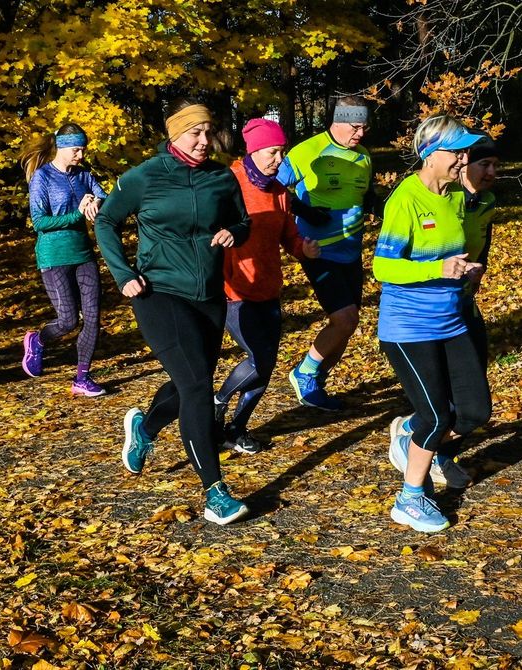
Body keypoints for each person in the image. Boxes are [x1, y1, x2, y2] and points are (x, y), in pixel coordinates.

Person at [96, 100, 251, 525]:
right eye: (194, 134)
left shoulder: (221, 176)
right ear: (174, 134)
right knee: (198, 385)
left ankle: (145, 429)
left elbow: (243, 222)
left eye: (207, 132)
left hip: (208, 296)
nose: (204, 142)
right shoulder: (146, 175)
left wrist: (232, 233)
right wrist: (123, 272)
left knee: (189, 383)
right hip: (157, 292)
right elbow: (106, 221)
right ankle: (214, 492)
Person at [376, 115, 489, 533]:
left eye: (465, 151)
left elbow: (450, 252)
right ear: (430, 154)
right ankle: (410, 498)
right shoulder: (405, 199)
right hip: (407, 327)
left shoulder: (456, 196)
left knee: (475, 409)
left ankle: (408, 430)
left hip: (450, 319)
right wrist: (437, 268)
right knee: (437, 416)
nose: (464, 159)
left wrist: (465, 269)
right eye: (456, 152)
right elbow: (383, 267)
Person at [214, 118, 319, 454]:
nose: (279, 159)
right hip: (234, 290)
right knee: (258, 360)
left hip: (269, 289)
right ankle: (218, 403)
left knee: (266, 368)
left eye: (282, 152)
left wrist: (303, 248)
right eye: (273, 152)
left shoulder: (278, 192)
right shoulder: (229, 183)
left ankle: (236, 428)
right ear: (255, 150)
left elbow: (289, 235)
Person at [278, 96, 376, 410]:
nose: (360, 133)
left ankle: (316, 382)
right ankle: (304, 373)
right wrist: (303, 209)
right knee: (344, 319)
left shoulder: (363, 157)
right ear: (337, 120)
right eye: (355, 126)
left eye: (365, 127)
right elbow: (272, 188)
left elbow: (364, 193)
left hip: (351, 251)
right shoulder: (306, 151)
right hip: (317, 250)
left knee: (347, 324)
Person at [19, 123, 108, 397]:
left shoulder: (83, 175)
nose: (80, 155)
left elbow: (104, 194)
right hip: (53, 255)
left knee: (93, 317)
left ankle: (83, 377)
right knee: (68, 320)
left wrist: (96, 202)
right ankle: (38, 340)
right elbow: (40, 222)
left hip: (83, 253)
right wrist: (78, 215)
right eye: (75, 150)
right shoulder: (42, 177)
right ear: (61, 147)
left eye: (83, 149)